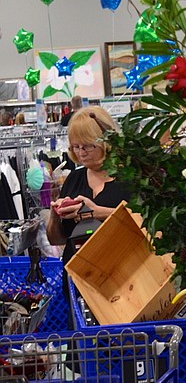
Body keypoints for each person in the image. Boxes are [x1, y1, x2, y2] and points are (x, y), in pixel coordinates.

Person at [46, 106, 132, 269]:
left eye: (87, 146)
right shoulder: (74, 179)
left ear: (105, 142)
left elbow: (147, 226)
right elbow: (57, 240)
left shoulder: (131, 178)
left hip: (123, 273)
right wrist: (55, 216)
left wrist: (99, 212)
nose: (81, 153)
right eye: (75, 146)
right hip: (77, 275)